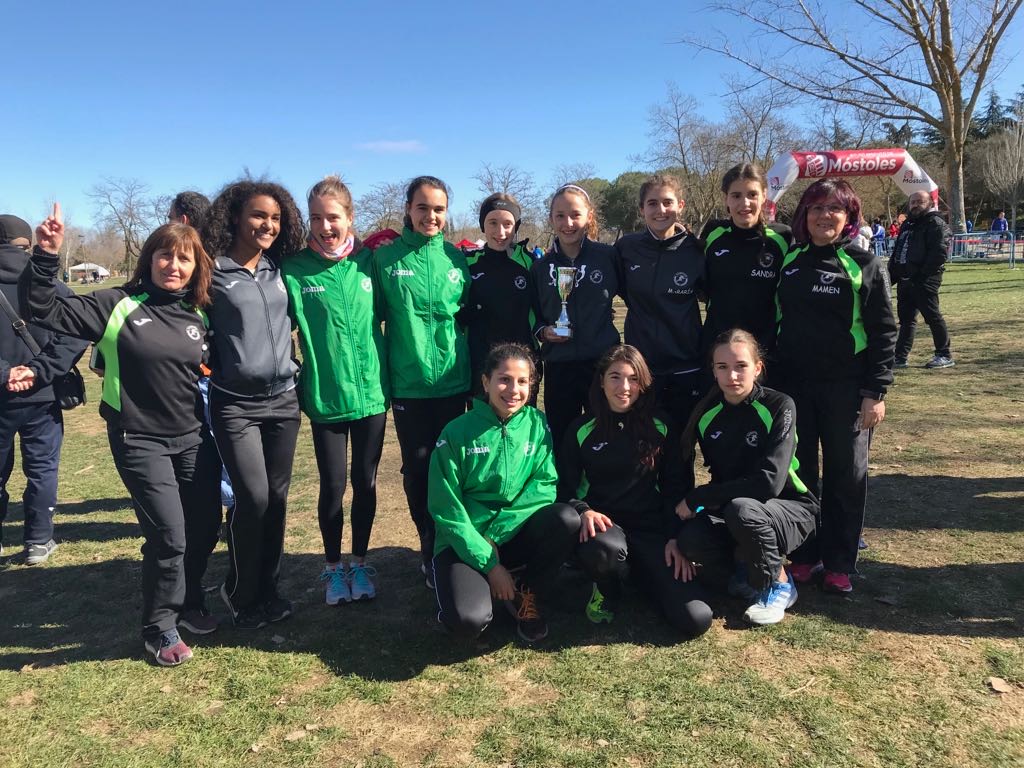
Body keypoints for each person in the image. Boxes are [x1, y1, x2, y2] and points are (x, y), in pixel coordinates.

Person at [26, 208, 221, 665]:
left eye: (185, 259)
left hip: (194, 438)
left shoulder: (200, 311)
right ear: (149, 259)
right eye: (165, 255)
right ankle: (159, 627)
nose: (174, 265)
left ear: (196, 267)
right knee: (169, 535)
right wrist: (46, 257)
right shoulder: (116, 304)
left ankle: (189, 601)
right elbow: (44, 308)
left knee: (204, 527)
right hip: (139, 440)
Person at [775, 179, 896, 594]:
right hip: (795, 388)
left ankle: (840, 562)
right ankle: (805, 555)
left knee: (846, 474)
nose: (824, 216)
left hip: (847, 389)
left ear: (849, 217)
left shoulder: (864, 264)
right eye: (816, 208)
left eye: (834, 209)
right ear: (804, 215)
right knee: (800, 473)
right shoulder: (790, 259)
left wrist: (875, 392)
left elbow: (884, 331)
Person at [201, 180, 305, 629]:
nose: (268, 225)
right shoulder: (210, 270)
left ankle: (269, 589)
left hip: (283, 401)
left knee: (277, 499)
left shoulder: (279, 269)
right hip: (235, 406)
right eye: (259, 215)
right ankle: (240, 591)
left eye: (276, 218)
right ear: (236, 218)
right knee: (253, 497)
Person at [280, 177, 388, 605]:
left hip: (372, 396)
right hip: (326, 397)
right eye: (316, 218)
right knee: (333, 486)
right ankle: (332, 569)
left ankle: (359, 563)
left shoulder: (368, 263)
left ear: (350, 217)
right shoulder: (294, 269)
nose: (325, 227)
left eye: (333, 217)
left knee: (366, 483)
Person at [428, 342, 579, 642]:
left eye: (522, 381)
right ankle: (468, 587)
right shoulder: (456, 432)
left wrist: (495, 536)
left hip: (509, 533)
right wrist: (489, 562)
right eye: (504, 379)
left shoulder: (537, 424)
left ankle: (525, 592)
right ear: (486, 382)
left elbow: (544, 486)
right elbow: (446, 509)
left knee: (566, 519)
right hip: (465, 540)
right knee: (468, 621)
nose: (513, 390)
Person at [559, 345, 712, 637]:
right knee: (605, 550)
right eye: (615, 377)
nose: (624, 387)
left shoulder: (662, 426)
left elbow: (675, 488)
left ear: (643, 384)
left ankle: (641, 575)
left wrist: (675, 538)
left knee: (696, 618)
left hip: (651, 531)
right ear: (601, 381)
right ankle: (607, 587)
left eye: (633, 379)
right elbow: (564, 488)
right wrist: (583, 510)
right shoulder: (581, 429)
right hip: (605, 532)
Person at [672, 329, 819, 625]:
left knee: (744, 510)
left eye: (741, 366)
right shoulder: (706, 413)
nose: (732, 376)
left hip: (790, 508)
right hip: (732, 509)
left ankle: (778, 584)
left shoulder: (780, 405)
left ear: (757, 368)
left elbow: (769, 483)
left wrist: (700, 497)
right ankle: (744, 574)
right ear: (713, 371)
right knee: (691, 539)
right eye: (722, 367)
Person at [372, 176, 470, 587]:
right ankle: (427, 543)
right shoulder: (385, 259)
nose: (431, 216)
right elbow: (371, 319)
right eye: (423, 207)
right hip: (409, 385)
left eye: (439, 209)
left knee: (452, 467)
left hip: (453, 382)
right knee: (417, 466)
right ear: (408, 209)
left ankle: (452, 540)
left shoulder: (457, 259)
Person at [0, 215, 87, 563]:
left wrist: (6, 373)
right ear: (27, 243)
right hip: (43, 395)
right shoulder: (47, 282)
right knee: (42, 469)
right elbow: (78, 330)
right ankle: (38, 540)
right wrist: (40, 370)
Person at [531, 184, 619, 453]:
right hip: (559, 367)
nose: (567, 223)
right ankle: (564, 482)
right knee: (562, 440)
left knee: (604, 438)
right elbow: (533, 315)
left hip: (602, 365)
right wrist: (544, 332)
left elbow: (638, 296)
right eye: (560, 216)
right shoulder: (540, 267)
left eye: (575, 215)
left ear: (589, 216)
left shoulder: (608, 257)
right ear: (551, 218)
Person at [616, 174, 705, 434]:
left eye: (668, 202)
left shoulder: (697, 250)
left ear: (681, 205)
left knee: (682, 444)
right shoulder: (626, 248)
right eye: (652, 203)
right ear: (641, 209)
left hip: (686, 364)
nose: (660, 210)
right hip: (642, 366)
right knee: (641, 442)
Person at [700, 163, 790, 359]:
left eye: (752, 194)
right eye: (736, 196)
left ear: (764, 195)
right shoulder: (713, 233)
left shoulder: (783, 238)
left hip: (766, 351)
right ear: (726, 198)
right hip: (717, 349)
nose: (745, 203)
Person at [463, 194, 538, 401]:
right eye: (493, 223)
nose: (501, 232)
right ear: (482, 225)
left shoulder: (530, 264)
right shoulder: (466, 263)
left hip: (522, 369)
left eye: (507, 224)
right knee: (482, 422)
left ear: (516, 226)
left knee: (521, 422)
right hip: (480, 367)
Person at [888, 191, 953, 369]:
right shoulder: (908, 224)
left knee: (932, 317)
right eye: (913, 202)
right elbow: (899, 250)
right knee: (906, 320)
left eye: (920, 202)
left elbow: (939, 253)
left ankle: (944, 354)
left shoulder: (935, 223)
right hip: (904, 279)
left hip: (924, 280)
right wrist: (893, 275)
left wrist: (922, 275)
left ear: (930, 203)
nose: (915, 205)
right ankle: (900, 357)